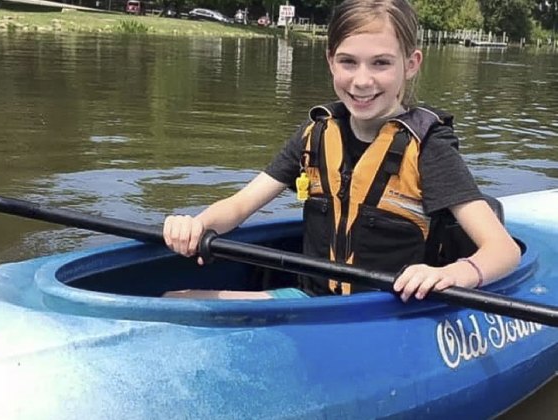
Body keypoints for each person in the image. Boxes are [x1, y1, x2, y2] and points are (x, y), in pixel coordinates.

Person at [163, 0, 521, 301]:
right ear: (330, 60)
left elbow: (502, 250)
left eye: (381, 63)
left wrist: (460, 273)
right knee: (175, 299)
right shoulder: (314, 134)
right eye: (348, 62)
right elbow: (240, 206)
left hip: (390, 311)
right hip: (309, 302)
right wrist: (196, 225)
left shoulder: (430, 148)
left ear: (411, 64)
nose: (361, 81)